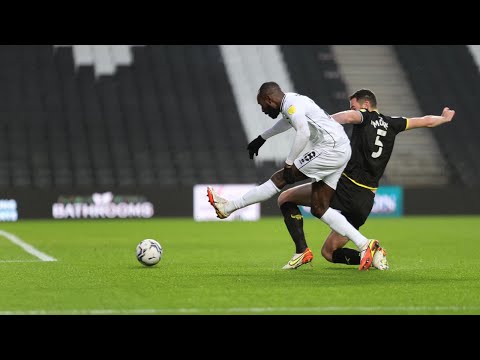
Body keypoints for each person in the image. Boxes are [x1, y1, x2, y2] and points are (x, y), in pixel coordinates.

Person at [207, 82, 382, 271]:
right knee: (319, 207)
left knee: (280, 179)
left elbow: (304, 132)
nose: (263, 110)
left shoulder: (292, 105)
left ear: (269, 99)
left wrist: (289, 163)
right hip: (340, 149)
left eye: (262, 105)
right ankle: (365, 244)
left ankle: (228, 207)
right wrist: (262, 138)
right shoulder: (290, 102)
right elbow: (286, 122)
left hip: (329, 149)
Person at [277, 88, 455, 270]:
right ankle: (375, 255)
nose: (353, 110)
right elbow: (425, 121)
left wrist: (320, 121)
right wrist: (443, 118)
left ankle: (302, 251)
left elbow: (347, 117)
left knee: (285, 198)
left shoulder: (365, 116)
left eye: (354, 106)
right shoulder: (393, 123)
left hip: (346, 185)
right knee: (329, 252)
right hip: (366, 198)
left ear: (366, 105)